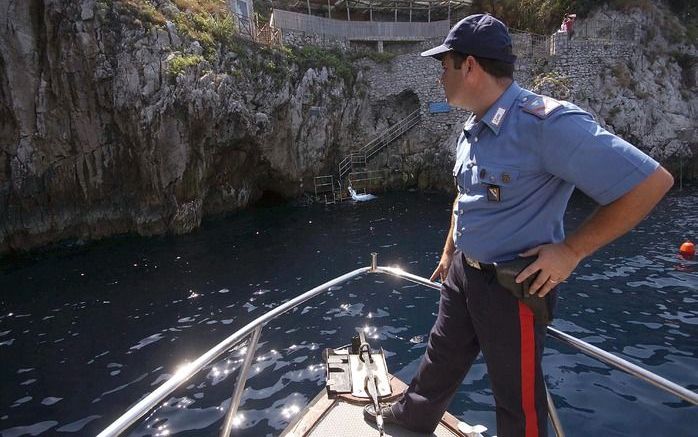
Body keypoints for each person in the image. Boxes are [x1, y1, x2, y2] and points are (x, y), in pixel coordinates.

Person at [364, 13, 673, 437]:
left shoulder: (547, 125)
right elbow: (467, 193)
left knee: (516, 400)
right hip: (463, 274)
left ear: (469, 66)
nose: (440, 76)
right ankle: (412, 418)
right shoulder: (474, 125)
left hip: (512, 286)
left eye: (445, 65)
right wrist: (450, 248)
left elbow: (651, 183)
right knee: (441, 355)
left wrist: (571, 251)